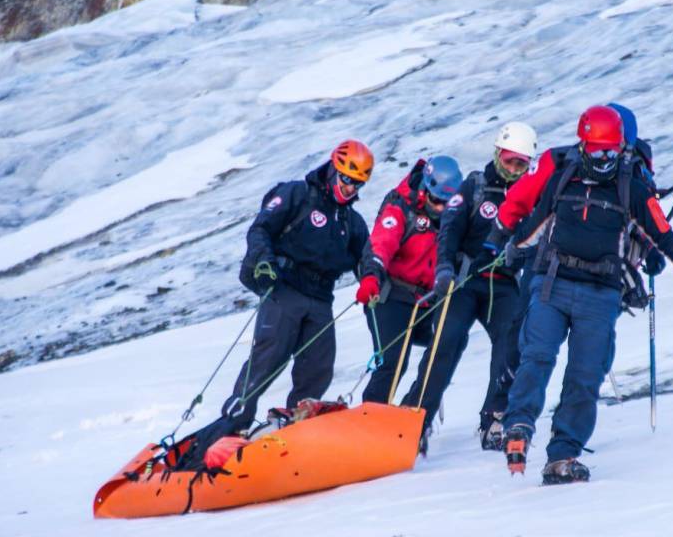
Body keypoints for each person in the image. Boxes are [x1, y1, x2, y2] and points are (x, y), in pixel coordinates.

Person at [486, 106, 673, 484]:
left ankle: (562, 457)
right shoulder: (563, 175)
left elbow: (661, 234)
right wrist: (510, 245)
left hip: (600, 294)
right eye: (597, 152)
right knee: (537, 356)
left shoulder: (632, 184)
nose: (604, 161)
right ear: (582, 145)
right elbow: (537, 221)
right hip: (552, 283)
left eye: (611, 153)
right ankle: (518, 426)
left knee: (584, 376)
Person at [176, 140, 373, 469]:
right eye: (346, 179)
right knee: (266, 362)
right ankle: (227, 434)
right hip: (284, 290)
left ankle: (297, 431)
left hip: (321, 300)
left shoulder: (351, 223)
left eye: (357, 184)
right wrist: (263, 261)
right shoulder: (296, 195)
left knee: (318, 370)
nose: (349, 189)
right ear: (333, 170)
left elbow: (366, 259)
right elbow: (260, 229)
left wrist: (371, 279)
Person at [410, 122, 538, 453]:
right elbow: (449, 231)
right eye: (509, 160)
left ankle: (494, 419)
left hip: (505, 284)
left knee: (512, 343)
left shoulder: (531, 196)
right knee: (446, 342)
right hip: (465, 281)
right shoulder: (474, 187)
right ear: (497, 154)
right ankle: (415, 419)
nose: (513, 169)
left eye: (520, 164)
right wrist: (443, 269)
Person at [357, 155, 463, 451]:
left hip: (428, 301)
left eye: (448, 202)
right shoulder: (400, 207)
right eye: (437, 201)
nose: (442, 208)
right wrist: (371, 277)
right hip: (391, 295)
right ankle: (368, 428)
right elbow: (382, 243)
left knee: (449, 344)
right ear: (426, 189)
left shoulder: (453, 217)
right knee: (394, 360)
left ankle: (413, 417)